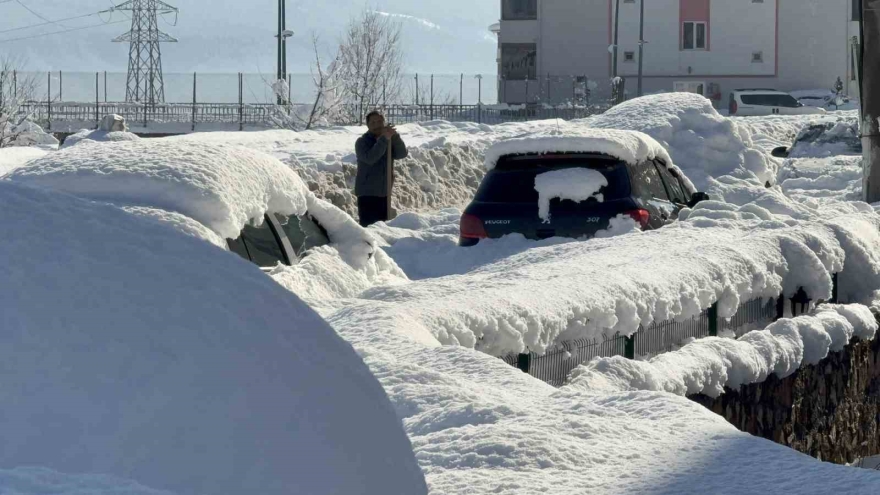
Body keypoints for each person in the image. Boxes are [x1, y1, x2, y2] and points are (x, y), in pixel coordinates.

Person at [355, 111, 408, 227]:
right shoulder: (362, 142)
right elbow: (370, 158)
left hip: (384, 192)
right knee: (369, 227)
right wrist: (383, 139)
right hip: (367, 193)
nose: (377, 125)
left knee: (382, 228)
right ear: (368, 125)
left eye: (379, 121)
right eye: (373, 122)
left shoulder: (389, 140)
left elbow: (401, 154)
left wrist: (395, 137)